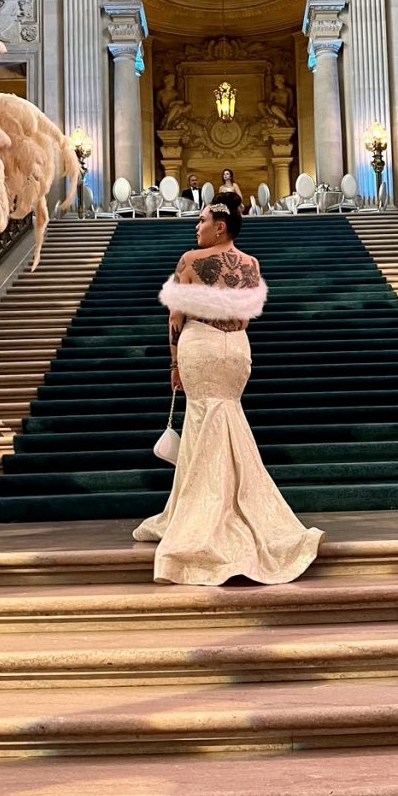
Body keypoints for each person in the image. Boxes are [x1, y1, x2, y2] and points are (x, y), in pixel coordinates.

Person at [133, 192, 323, 585]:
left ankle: (201, 517)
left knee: (203, 421)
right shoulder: (252, 265)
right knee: (227, 417)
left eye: (201, 220)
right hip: (237, 350)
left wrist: (173, 363)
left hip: (200, 344)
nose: (196, 226)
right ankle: (237, 507)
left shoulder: (190, 261)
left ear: (220, 226)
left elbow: (176, 315)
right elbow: (246, 317)